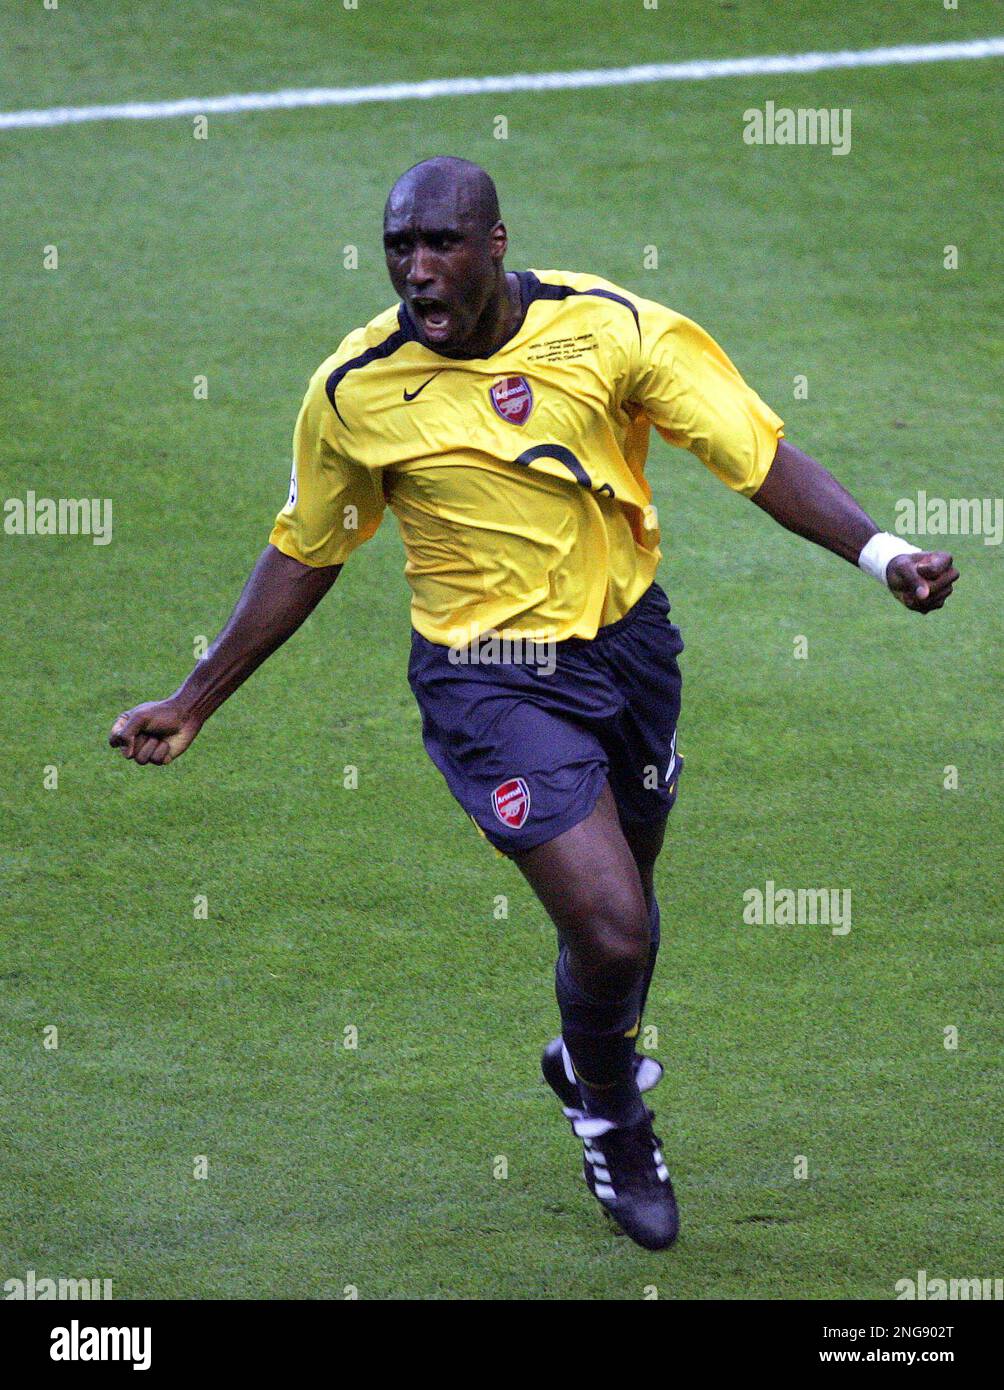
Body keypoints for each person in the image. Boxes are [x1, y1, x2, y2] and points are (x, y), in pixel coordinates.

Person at [110, 156, 958, 1251]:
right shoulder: (354, 391)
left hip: (629, 655)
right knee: (608, 926)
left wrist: (879, 552)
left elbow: (750, 453)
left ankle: (583, 1057)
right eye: (398, 248)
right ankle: (611, 1111)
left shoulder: (609, 329)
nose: (417, 269)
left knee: (629, 928)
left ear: (496, 244)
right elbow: (306, 549)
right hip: (485, 678)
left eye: (441, 244)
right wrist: (195, 698)